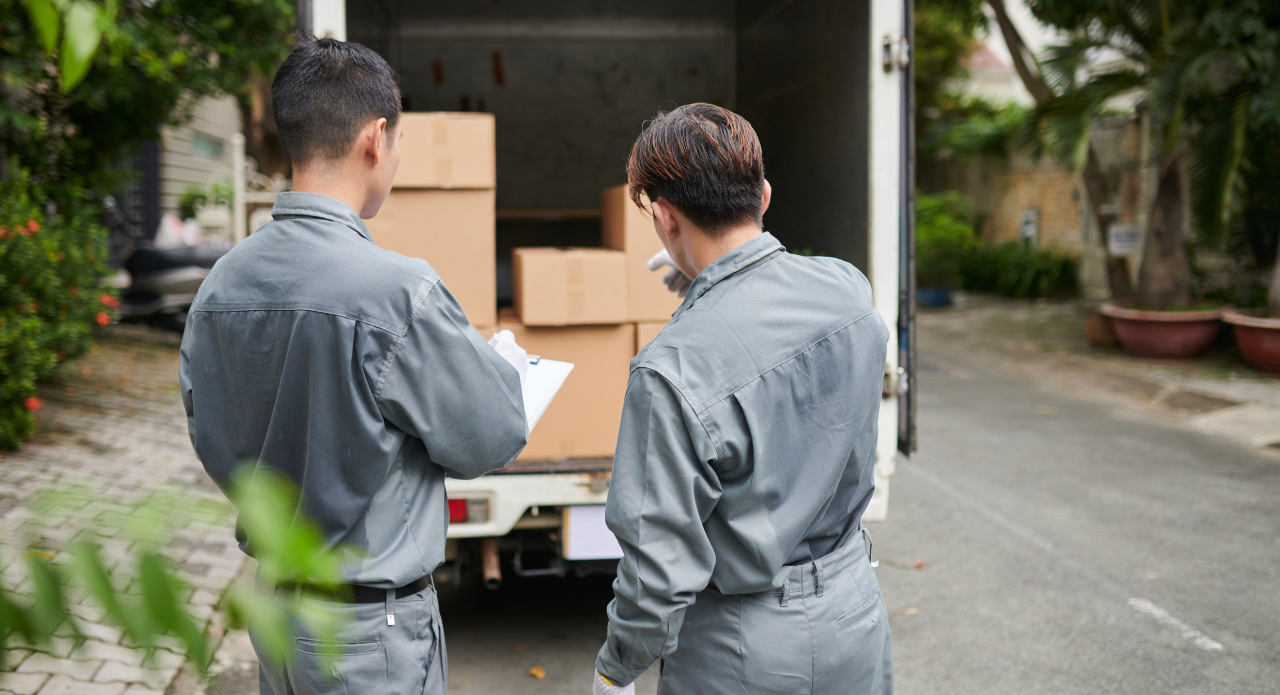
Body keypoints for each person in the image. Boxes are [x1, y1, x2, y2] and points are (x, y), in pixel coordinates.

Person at [179, 36, 530, 695]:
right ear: (376, 139)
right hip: (371, 637)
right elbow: (492, 437)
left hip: (278, 614)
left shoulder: (220, 288)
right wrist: (497, 368)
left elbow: (213, 432)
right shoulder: (397, 292)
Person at [592, 104, 893, 695]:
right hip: (855, 610)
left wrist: (616, 669)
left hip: (743, 644)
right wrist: (709, 286)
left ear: (664, 217)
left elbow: (658, 569)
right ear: (764, 194)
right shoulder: (849, 290)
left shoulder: (669, 368)